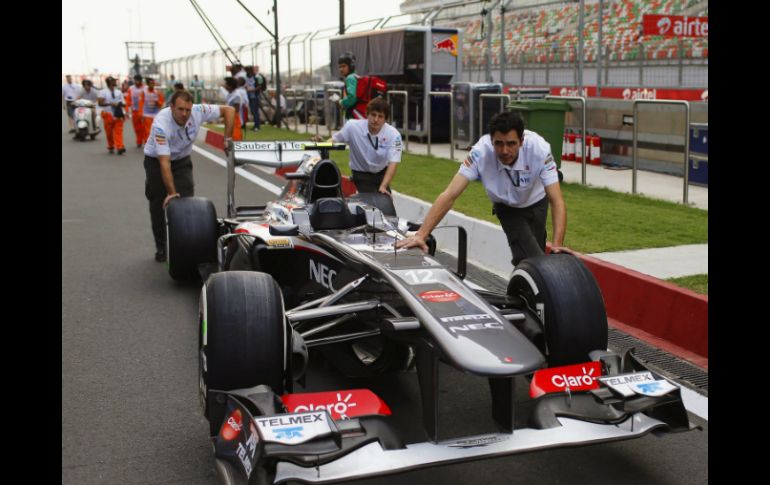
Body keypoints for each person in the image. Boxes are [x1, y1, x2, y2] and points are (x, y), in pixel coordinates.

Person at [396, 111, 568, 266]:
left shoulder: (539, 149)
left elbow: (557, 201)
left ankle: (521, 293)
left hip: (537, 201)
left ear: (522, 141)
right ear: (491, 140)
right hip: (506, 207)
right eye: (498, 144)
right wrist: (422, 234)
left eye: (511, 144)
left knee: (535, 262)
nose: (505, 150)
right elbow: (450, 194)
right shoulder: (480, 152)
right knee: (533, 260)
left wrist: (557, 247)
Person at [143, 90, 235, 262]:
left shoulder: (199, 111)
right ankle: (162, 246)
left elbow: (229, 110)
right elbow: (164, 162)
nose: (184, 114)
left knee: (186, 204)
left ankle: (185, 246)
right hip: (157, 161)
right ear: (171, 107)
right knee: (158, 204)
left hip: (182, 160)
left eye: (187, 110)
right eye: (180, 109)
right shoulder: (161, 125)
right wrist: (170, 192)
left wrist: (227, 138)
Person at [313, 98, 402, 195]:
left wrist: (384, 186)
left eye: (380, 116)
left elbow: (394, 162)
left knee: (387, 204)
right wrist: (322, 143)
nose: (376, 120)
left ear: (386, 119)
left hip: (381, 174)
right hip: (361, 175)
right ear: (367, 114)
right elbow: (334, 140)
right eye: (373, 115)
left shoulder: (394, 135)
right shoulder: (352, 126)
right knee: (371, 204)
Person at [97, 77, 127, 155]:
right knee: (109, 133)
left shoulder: (118, 92)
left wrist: (121, 105)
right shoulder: (103, 92)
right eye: (114, 81)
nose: (115, 82)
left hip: (117, 114)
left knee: (118, 131)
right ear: (110, 82)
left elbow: (124, 103)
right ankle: (111, 146)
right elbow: (100, 103)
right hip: (108, 114)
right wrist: (111, 103)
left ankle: (120, 147)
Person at [337, 52, 361, 120]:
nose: (341, 69)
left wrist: (341, 102)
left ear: (351, 66)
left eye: (344, 66)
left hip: (352, 114)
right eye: (340, 67)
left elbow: (351, 98)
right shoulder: (356, 76)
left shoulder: (350, 78)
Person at [140, 78, 164, 145]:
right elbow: (141, 103)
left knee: (157, 129)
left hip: (156, 114)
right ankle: (149, 143)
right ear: (148, 84)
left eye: (153, 83)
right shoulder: (144, 92)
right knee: (148, 130)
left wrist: (157, 102)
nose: (152, 85)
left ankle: (155, 142)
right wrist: (141, 114)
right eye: (151, 83)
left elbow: (161, 104)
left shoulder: (157, 92)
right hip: (147, 114)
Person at [128, 75, 146, 147]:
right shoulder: (131, 88)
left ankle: (146, 140)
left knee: (145, 127)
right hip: (135, 110)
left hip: (145, 111)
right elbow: (128, 99)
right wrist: (128, 108)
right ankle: (139, 141)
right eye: (135, 80)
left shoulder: (145, 88)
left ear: (141, 81)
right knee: (137, 127)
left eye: (138, 80)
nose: (136, 82)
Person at [223, 77, 244, 141]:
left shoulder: (236, 95)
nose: (225, 85)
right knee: (229, 137)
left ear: (230, 86)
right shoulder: (229, 94)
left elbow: (236, 110)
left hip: (234, 119)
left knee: (235, 137)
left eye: (226, 84)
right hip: (229, 118)